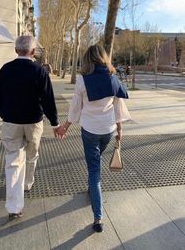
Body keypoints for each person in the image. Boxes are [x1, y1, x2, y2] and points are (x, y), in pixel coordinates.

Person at [56, 44, 131, 233]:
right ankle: (92, 186)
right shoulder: (113, 78)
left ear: (88, 59)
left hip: (89, 131)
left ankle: (98, 217)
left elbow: (74, 109)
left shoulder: (82, 81)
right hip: (108, 130)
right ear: (104, 57)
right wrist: (119, 129)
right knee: (95, 163)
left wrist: (65, 127)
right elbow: (118, 106)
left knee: (94, 171)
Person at [0, 35, 60, 220]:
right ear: (33, 52)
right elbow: (48, 100)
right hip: (33, 122)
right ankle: (27, 183)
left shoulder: (5, 70)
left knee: (13, 161)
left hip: (11, 122)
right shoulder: (39, 71)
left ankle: (14, 207)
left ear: (16, 50)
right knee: (32, 154)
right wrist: (55, 123)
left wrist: (4, 115)